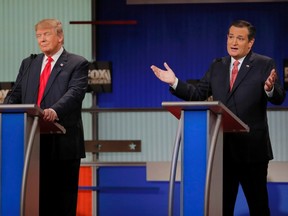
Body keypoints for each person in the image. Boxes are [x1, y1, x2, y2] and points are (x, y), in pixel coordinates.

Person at [150, 20, 286, 216]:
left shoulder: (264, 64)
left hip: (252, 151)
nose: (234, 42)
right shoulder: (217, 65)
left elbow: (279, 97)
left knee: (259, 207)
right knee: (222, 208)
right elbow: (198, 94)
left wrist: (270, 89)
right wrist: (175, 82)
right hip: (222, 151)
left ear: (250, 43)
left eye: (240, 38)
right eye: (230, 37)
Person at [4, 18, 88, 216]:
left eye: (46, 34)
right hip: (31, 144)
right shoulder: (29, 63)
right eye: (38, 36)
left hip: (63, 144)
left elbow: (75, 94)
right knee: (35, 203)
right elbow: (16, 94)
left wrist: (54, 111)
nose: (41, 40)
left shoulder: (77, 63)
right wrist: (5, 108)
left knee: (60, 204)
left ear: (60, 37)